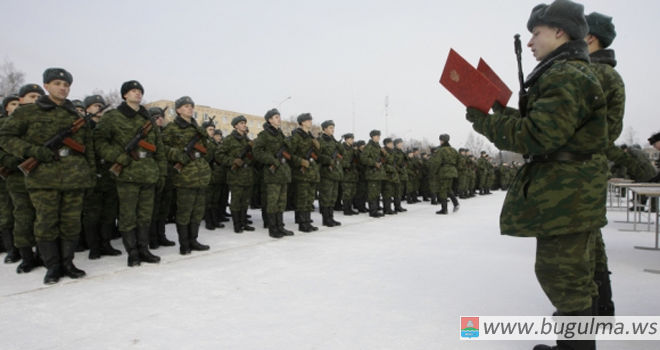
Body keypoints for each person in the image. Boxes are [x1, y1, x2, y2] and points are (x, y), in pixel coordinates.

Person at [464, 1, 607, 349]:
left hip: (566, 195)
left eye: (536, 33)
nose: (530, 42)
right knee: (573, 275)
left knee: (564, 278)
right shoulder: (568, 71)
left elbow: (538, 135)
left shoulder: (565, 75)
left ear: (560, 32)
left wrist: (483, 119)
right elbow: (545, 123)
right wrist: (499, 108)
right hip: (571, 192)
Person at [0, 68, 96, 284]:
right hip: (43, 178)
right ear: (46, 86)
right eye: (57, 84)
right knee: (46, 222)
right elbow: (5, 137)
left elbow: (87, 147)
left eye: (66, 85)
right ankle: (52, 266)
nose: (62, 88)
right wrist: (32, 151)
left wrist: (89, 174)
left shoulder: (75, 115)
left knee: (70, 223)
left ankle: (68, 263)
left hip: (74, 177)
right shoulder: (28, 112)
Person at [95, 80, 164, 266]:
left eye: (140, 91)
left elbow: (159, 148)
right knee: (128, 215)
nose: (137, 94)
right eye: (133, 91)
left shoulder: (148, 118)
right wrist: (117, 157)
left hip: (148, 173)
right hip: (127, 173)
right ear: (125, 94)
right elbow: (99, 142)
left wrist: (160, 172)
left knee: (145, 215)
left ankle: (144, 249)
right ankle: (132, 252)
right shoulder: (113, 117)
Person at [162, 96, 212, 254]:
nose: (190, 108)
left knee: (197, 212)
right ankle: (184, 244)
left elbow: (206, 148)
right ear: (178, 110)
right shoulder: (172, 128)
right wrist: (178, 155)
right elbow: (162, 147)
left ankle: (193, 240)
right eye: (185, 106)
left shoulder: (197, 128)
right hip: (185, 177)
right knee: (184, 212)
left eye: (191, 106)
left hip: (200, 175)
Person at [81, 94, 122, 259]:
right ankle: (94, 247)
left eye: (101, 105)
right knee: (92, 215)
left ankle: (106, 243)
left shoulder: (109, 128)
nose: (99, 108)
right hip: (91, 176)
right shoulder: (83, 127)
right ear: (87, 109)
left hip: (109, 175)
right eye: (95, 105)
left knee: (109, 213)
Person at [253, 108, 294, 238]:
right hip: (272, 173)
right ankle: (273, 228)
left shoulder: (280, 134)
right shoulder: (264, 135)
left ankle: (280, 226)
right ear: (270, 120)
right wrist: (272, 160)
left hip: (283, 173)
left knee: (281, 202)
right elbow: (257, 151)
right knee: (273, 202)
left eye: (279, 116)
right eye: (276, 117)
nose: (279, 119)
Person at [217, 115, 255, 233]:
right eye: (241, 123)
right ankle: (237, 224)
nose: (244, 125)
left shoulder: (247, 140)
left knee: (245, 201)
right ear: (236, 126)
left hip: (248, 174)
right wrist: (232, 161)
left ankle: (244, 222)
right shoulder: (229, 139)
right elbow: (219, 155)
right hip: (236, 175)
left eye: (245, 123)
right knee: (236, 201)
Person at [289, 113, 320, 232]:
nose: (310, 122)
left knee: (309, 199)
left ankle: (308, 222)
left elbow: (317, 155)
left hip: (311, 173)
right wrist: (300, 161)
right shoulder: (296, 136)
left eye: (311, 120)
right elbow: (290, 154)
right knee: (302, 199)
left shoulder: (310, 136)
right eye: (308, 120)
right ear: (302, 122)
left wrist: (317, 147)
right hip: (301, 174)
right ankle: (302, 224)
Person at [318, 120, 343, 226]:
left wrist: (336, 142)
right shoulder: (320, 140)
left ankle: (331, 217)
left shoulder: (334, 141)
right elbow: (318, 155)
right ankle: (326, 219)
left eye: (333, 128)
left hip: (335, 173)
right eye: (330, 128)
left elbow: (342, 152)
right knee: (326, 197)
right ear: (324, 129)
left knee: (333, 197)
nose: (332, 130)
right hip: (326, 172)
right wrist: (328, 160)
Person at [360, 130, 385, 218]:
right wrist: (374, 163)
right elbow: (363, 158)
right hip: (372, 173)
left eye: (379, 136)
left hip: (378, 174)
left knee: (377, 193)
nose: (378, 137)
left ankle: (376, 209)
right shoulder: (369, 146)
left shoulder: (378, 147)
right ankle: (373, 211)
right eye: (376, 136)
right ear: (372, 137)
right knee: (372, 193)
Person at [340, 133, 359, 215]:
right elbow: (340, 159)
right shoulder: (342, 147)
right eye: (351, 139)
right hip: (346, 173)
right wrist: (347, 165)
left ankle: (350, 208)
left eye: (353, 139)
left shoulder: (352, 149)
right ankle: (346, 209)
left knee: (352, 192)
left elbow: (357, 159)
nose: (352, 140)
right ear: (346, 139)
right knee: (346, 192)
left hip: (353, 174)